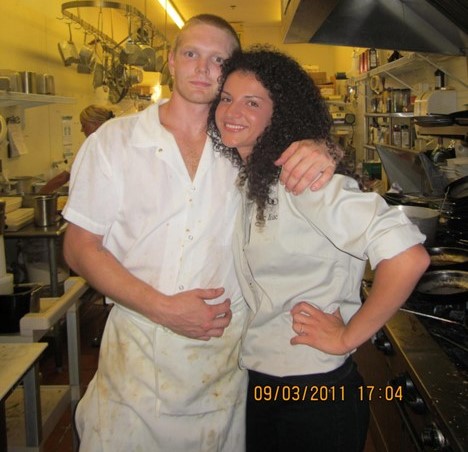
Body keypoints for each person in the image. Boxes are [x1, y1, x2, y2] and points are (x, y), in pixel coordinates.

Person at [62, 15, 337, 452]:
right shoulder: (114, 142)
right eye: (191, 53)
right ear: (171, 60)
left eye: (218, 60)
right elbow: (79, 249)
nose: (202, 68)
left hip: (221, 365)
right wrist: (163, 308)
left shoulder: (247, 146)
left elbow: (305, 151)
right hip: (136, 361)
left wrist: (323, 148)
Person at [207, 46, 430, 451]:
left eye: (252, 102)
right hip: (266, 383)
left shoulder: (304, 181)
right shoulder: (253, 179)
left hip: (313, 395)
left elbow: (408, 256)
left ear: (281, 113)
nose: (232, 111)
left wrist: (349, 336)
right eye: (227, 98)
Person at [39, 105, 115, 194]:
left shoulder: (92, 148)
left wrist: (40, 193)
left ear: (96, 123)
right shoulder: (115, 142)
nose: (82, 130)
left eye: (84, 125)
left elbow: (64, 177)